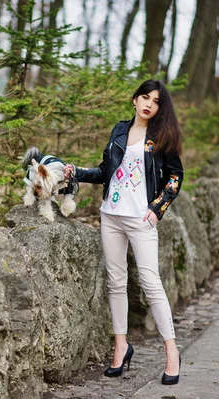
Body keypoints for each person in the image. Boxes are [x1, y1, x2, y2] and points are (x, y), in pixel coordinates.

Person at [64, 79, 183, 384]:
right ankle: (121, 347)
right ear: (134, 100)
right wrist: (77, 172)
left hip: (141, 219)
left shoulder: (162, 137)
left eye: (155, 101)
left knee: (150, 281)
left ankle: (171, 351)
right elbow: (107, 172)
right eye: (145, 97)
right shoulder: (119, 130)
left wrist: (157, 209)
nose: (149, 104)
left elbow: (175, 177)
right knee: (116, 282)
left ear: (159, 108)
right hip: (111, 216)